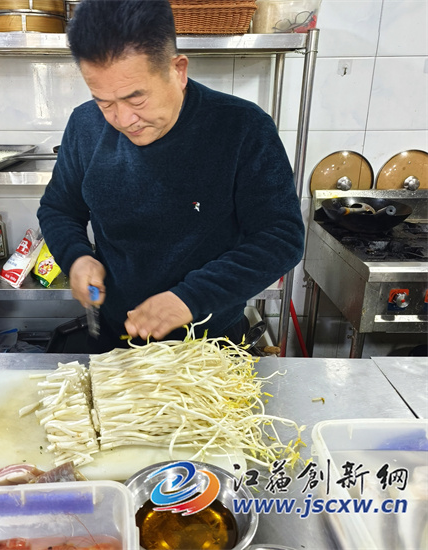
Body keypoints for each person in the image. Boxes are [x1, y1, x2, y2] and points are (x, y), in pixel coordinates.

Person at [37, 0, 304, 353]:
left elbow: (281, 237)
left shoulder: (242, 127)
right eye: (105, 102)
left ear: (178, 70)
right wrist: (77, 257)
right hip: (115, 338)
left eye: (136, 99)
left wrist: (190, 298)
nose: (123, 120)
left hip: (211, 343)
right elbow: (59, 209)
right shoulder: (85, 125)